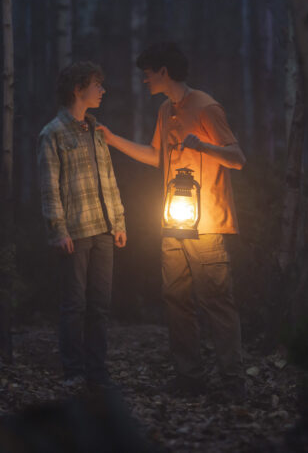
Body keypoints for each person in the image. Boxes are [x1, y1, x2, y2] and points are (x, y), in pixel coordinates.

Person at [97, 42, 246, 398]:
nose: (145, 79)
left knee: (215, 301)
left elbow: (237, 158)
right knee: (176, 299)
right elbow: (155, 155)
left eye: (148, 72)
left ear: (164, 71)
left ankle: (232, 382)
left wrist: (203, 147)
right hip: (173, 222)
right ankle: (188, 377)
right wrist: (113, 140)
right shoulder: (166, 110)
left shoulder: (206, 107)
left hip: (207, 225)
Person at [38, 61, 127, 391]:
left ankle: (97, 371)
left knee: (100, 306)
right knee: (74, 305)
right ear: (78, 89)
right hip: (75, 233)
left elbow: (109, 180)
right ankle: (74, 371)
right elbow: (49, 187)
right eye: (96, 85)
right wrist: (57, 230)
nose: (102, 91)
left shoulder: (97, 132)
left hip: (103, 230)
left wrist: (118, 221)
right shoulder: (52, 135)